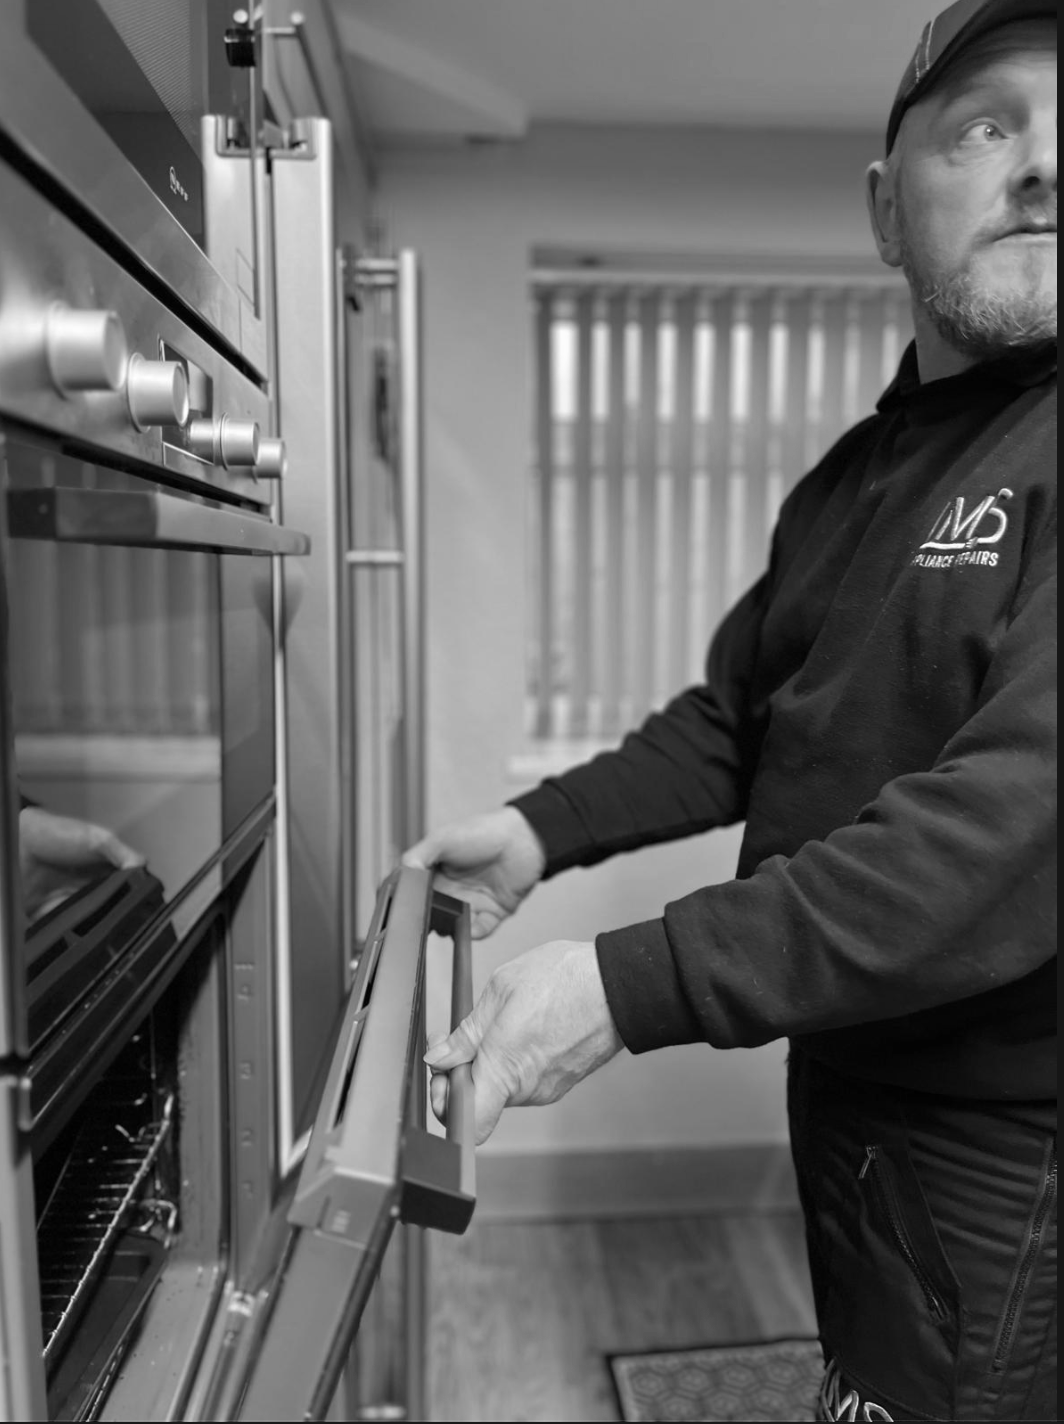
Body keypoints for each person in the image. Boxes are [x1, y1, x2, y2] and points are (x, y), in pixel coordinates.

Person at [405, 0, 1056, 1418]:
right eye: (987, 123)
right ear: (887, 211)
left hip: (1017, 1143)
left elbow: (1008, 833)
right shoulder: (856, 476)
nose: (1046, 167)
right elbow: (740, 719)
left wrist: (629, 985)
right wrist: (536, 832)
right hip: (856, 1081)